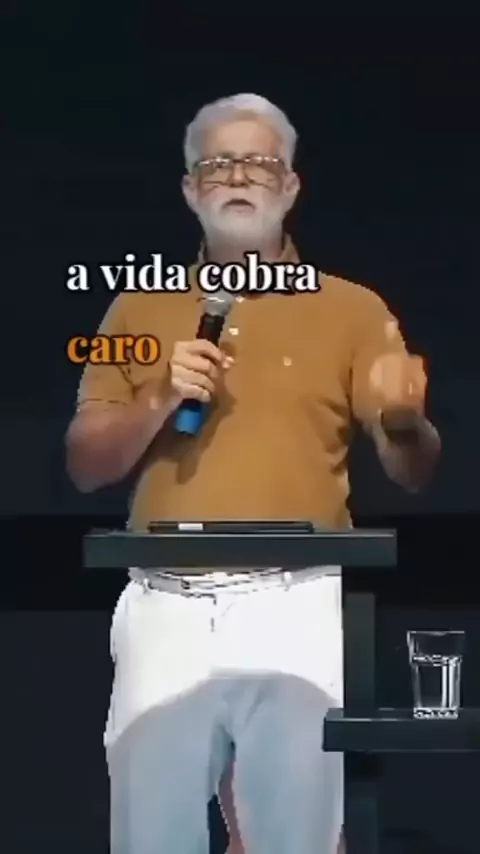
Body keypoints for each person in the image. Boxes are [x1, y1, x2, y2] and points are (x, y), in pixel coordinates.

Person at [66, 93, 441, 854]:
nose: (239, 177)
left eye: (260, 163)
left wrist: (404, 419)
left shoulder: (352, 309)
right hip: (165, 602)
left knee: (296, 836)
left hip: (295, 600)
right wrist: (161, 396)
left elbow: (413, 471)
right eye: (218, 164)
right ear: (189, 189)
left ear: (292, 186)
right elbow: (84, 463)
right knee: (151, 835)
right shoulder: (135, 308)